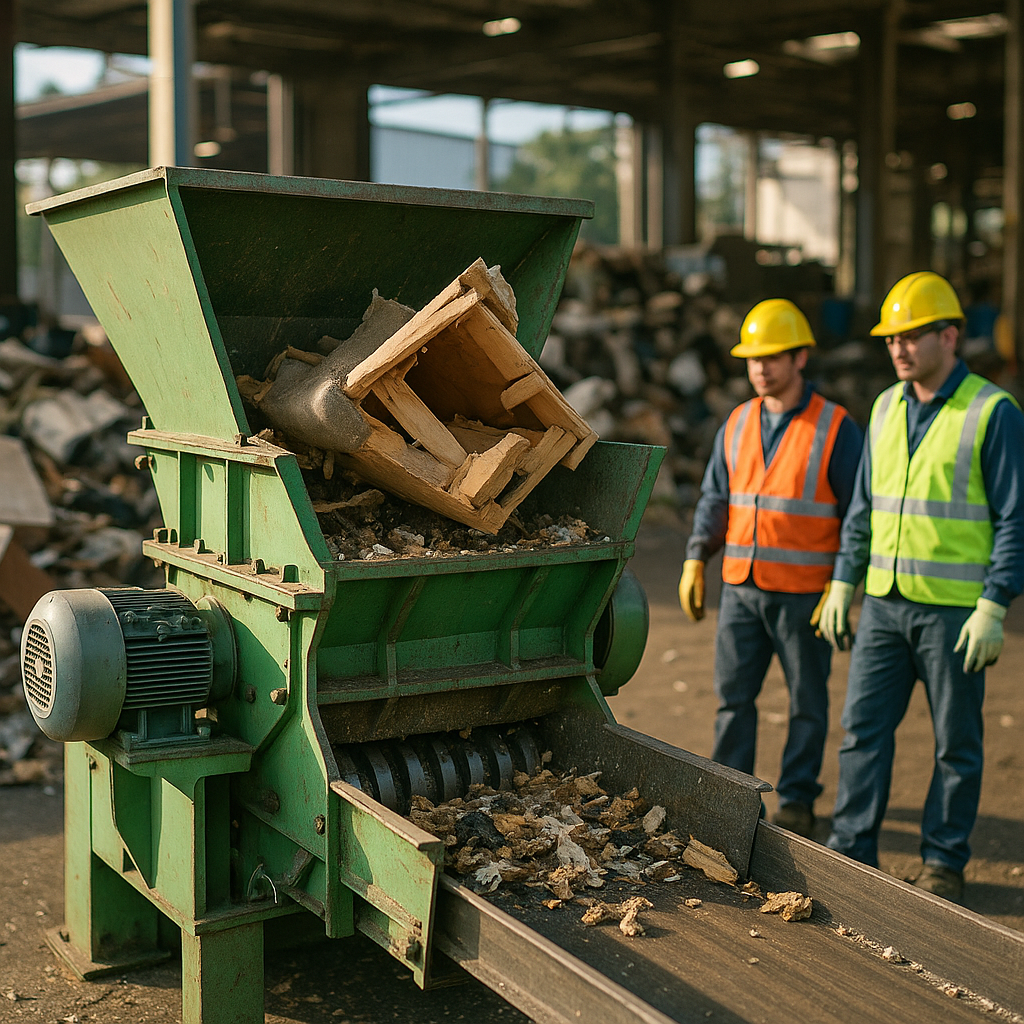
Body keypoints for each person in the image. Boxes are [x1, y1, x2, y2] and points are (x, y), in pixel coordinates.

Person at [817, 271, 1024, 903]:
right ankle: (853, 849)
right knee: (861, 733)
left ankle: (943, 861)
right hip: (883, 604)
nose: (900, 349)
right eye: (891, 339)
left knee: (954, 744)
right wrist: (844, 584)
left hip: (954, 613)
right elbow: (863, 509)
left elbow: (1015, 517)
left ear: (950, 336)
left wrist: (994, 605)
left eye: (912, 336)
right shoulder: (883, 407)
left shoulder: (993, 412)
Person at [679, 299, 863, 837]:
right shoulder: (737, 422)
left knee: (807, 702)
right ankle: (733, 795)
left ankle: (800, 798)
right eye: (753, 357)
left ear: (801, 357)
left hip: (806, 593)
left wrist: (842, 585)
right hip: (742, 589)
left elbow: (857, 514)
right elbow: (717, 497)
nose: (761, 368)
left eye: (774, 357)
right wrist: (696, 557)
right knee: (733, 700)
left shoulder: (835, 427)